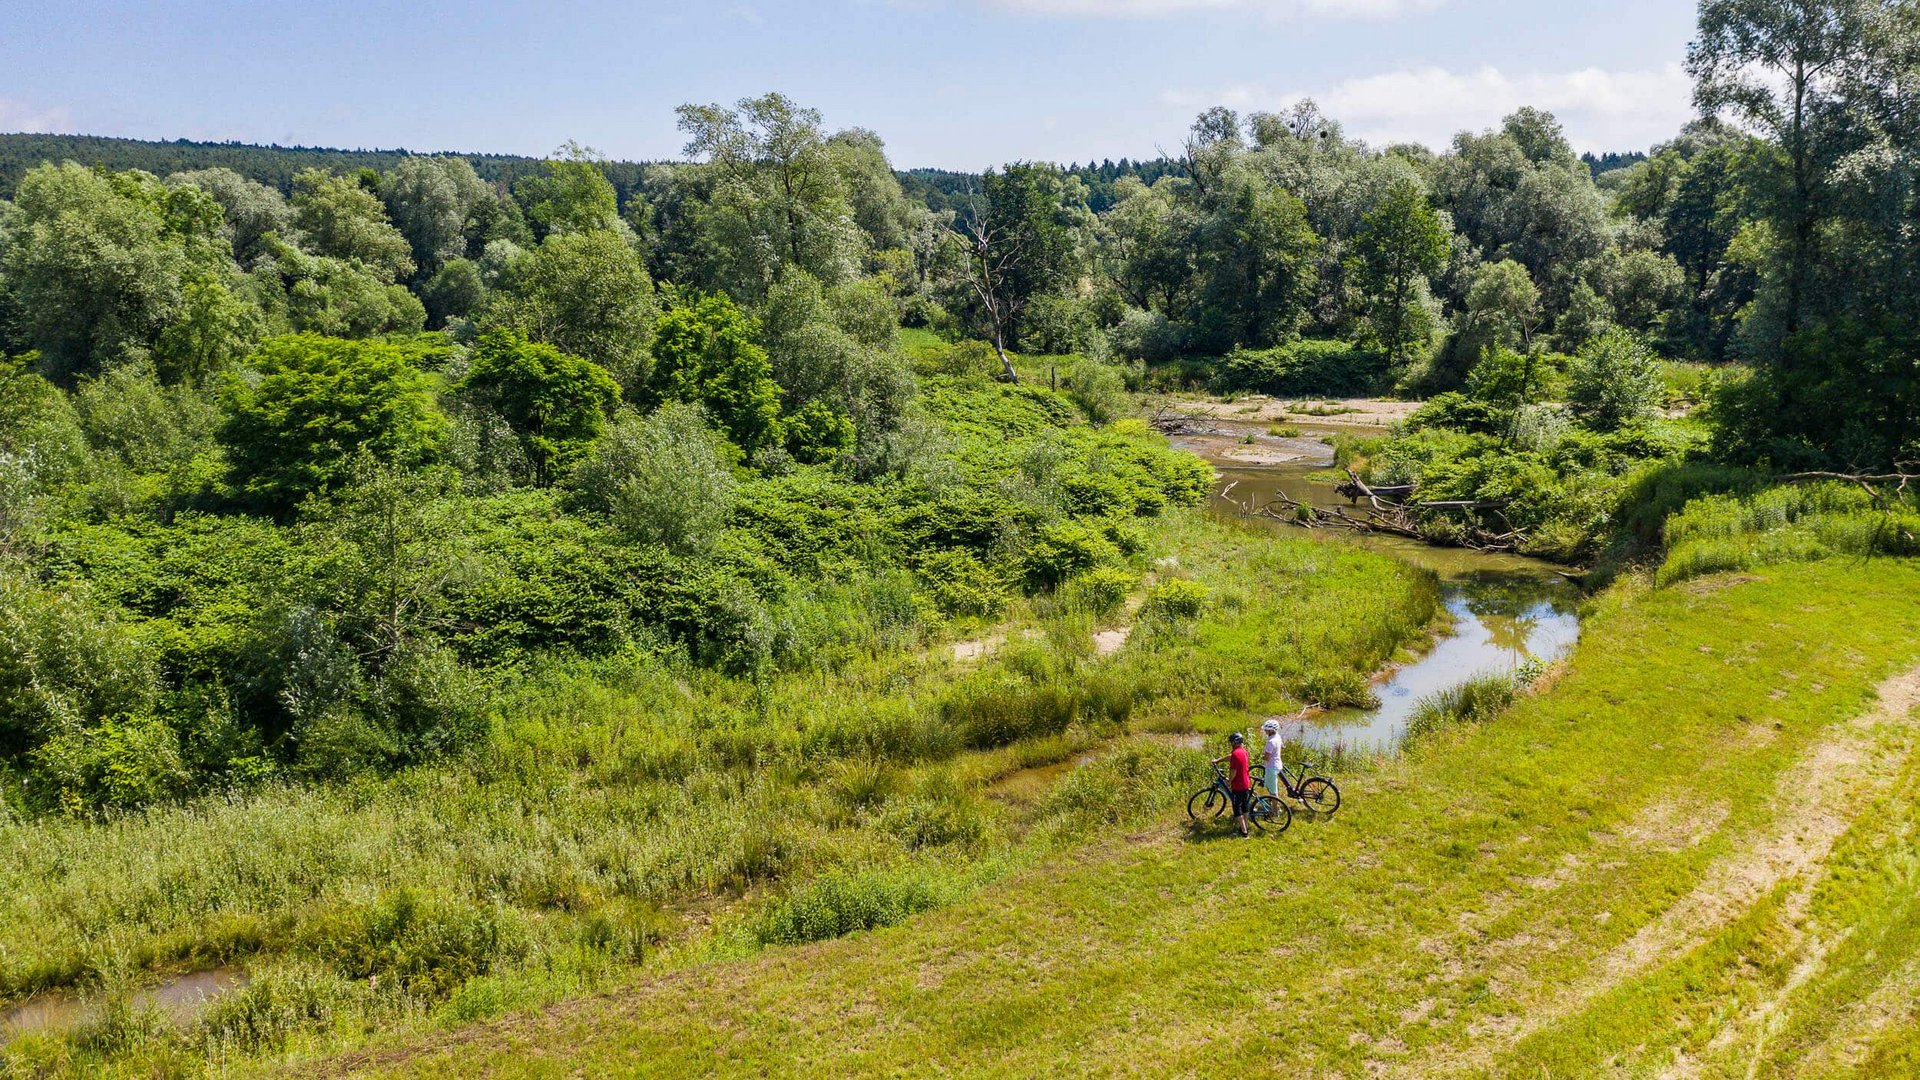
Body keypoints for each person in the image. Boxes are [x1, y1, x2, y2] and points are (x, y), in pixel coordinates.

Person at [1212, 732, 1254, 838]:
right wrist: (1218, 760)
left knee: (1237, 809)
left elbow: (1233, 772)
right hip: (1246, 783)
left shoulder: (1236, 754)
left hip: (1238, 785)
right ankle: (1245, 827)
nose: (1231, 743)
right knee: (1245, 806)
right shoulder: (1243, 751)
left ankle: (1244, 833)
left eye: (1231, 742)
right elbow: (1230, 757)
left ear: (1234, 742)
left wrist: (1229, 782)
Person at [1261, 718, 1284, 799]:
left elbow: (1267, 758)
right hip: (1278, 764)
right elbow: (1282, 746)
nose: (1265, 731)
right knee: (1272, 786)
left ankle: (1275, 810)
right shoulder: (1277, 736)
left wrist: (1262, 757)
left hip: (1271, 767)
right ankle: (1275, 805)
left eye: (1266, 729)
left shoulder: (1271, 742)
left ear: (1271, 730)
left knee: (1273, 792)